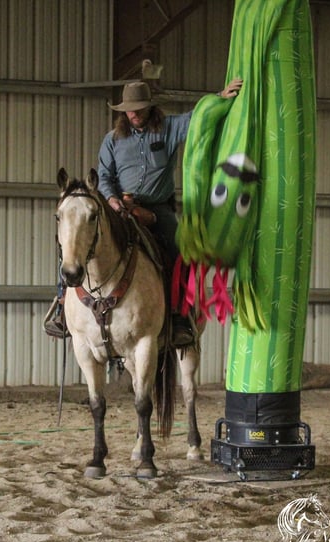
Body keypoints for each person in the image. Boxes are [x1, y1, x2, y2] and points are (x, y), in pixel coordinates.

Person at [45, 77, 243, 346]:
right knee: (76, 241)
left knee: (179, 253)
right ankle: (61, 307)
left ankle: (180, 317)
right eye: (128, 109)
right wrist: (113, 200)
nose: (133, 113)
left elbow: (198, 117)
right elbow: (104, 176)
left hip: (157, 210)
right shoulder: (112, 140)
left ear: (150, 107)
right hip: (120, 207)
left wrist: (220, 95)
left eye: (138, 108)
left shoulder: (169, 129)